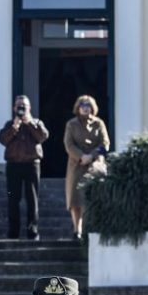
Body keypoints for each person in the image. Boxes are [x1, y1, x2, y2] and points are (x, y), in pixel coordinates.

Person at [0, 94, 49, 242]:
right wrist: (14, 127)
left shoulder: (37, 122)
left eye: (24, 107)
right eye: (18, 106)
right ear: (14, 108)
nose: (21, 109)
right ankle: (13, 232)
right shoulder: (9, 124)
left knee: (32, 199)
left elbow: (43, 136)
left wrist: (30, 123)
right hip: (13, 165)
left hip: (31, 165)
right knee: (13, 199)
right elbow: (2, 139)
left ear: (29, 108)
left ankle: (32, 231)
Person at [63, 95, 111, 241]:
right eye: (83, 105)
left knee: (91, 198)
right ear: (78, 108)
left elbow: (105, 143)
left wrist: (92, 155)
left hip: (94, 165)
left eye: (88, 105)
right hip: (77, 165)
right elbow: (68, 144)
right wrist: (81, 156)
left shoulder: (99, 123)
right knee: (75, 199)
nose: (85, 108)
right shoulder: (71, 124)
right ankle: (77, 230)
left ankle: (91, 228)